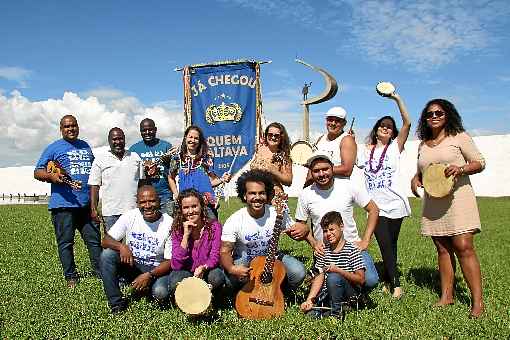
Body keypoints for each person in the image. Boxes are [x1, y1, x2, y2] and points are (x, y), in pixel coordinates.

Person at [411, 99, 485, 318]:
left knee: (463, 245)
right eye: (429, 114)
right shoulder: (423, 143)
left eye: (439, 113)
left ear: (448, 115)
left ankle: (478, 302)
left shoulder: (459, 137)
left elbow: (479, 162)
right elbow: (421, 170)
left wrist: (461, 168)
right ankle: (447, 296)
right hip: (434, 201)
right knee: (442, 248)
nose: (434, 116)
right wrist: (415, 179)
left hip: (459, 198)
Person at [293, 151, 380, 291]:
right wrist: (314, 244)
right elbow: (300, 225)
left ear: (332, 168)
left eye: (325, 169)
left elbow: (374, 209)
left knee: (370, 281)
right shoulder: (306, 194)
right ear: (311, 172)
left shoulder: (348, 186)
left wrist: (365, 240)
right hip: (325, 252)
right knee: (321, 285)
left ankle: (348, 285)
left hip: (353, 248)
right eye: (316, 171)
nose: (321, 174)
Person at [34, 115, 101, 288]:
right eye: (66, 126)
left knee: (94, 241)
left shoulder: (85, 146)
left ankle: (100, 272)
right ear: (61, 129)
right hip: (63, 205)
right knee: (66, 243)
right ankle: (71, 276)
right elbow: (37, 171)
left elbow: (93, 172)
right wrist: (51, 176)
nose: (70, 129)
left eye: (73, 125)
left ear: (78, 127)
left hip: (86, 205)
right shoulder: (53, 148)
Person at [358, 92, 411, 298]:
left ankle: (390, 280)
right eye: (382, 124)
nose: (386, 127)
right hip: (376, 206)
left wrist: (396, 98)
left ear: (392, 132)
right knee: (384, 243)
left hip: (395, 203)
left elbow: (407, 122)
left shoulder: (395, 148)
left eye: (389, 126)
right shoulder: (365, 150)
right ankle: (396, 284)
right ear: (377, 129)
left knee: (391, 244)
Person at [219, 169, 306, 295]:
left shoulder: (277, 213)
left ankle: (279, 292)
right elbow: (224, 251)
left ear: (267, 195)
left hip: (272, 257)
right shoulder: (235, 220)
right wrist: (232, 269)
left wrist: (309, 235)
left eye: (262, 193)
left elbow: (296, 231)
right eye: (252, 193)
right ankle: (242, 292)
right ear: (244, 195)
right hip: (246, 260)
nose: (257, 197)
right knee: (229, 280)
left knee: (298, 271)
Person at [99, 185, 173, 314]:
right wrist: (121, 246)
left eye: (152, 201)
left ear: (159, 201)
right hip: (133, 265)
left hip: (157, 270)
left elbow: (170, 261)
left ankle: (148, 287)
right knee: (107, 255)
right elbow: (105, 240)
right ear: (137, 203)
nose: (147, 206)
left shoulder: (169, 224)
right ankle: (116, 303)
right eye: (143, 202)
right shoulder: (130, 216)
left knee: (160, 293)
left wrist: (150, 275)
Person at [301, 211, 365, 318]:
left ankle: (336, 314)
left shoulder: (352, 250)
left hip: (349, 293)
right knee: (309, 315)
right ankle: (328, 307)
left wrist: (339, 271)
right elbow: (319, 277)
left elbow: (361, 279)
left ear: (341, 227)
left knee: (333, 277)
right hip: (329, 293)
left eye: (331, 229)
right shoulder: (324, 250)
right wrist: (309, 300)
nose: (328, 234)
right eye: (325, 231)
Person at [168, 189, 224, 298]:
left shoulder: (214, 227)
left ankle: (210, 298)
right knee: (175, 281)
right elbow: (176, 264)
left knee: (216, 277)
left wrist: (204, 267)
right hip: (186, 271)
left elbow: (215, 255)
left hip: (206, 270)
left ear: (201, 206)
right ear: (181, 210)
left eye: (194, 206)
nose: (190, 211)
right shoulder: (177, 230)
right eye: (186, 208)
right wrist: (185, 236)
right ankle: (192, 298)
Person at [167, 125, 230, 219]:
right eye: (190, 137)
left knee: (212, 230)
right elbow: (170, 177)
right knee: (187, 231)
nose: (193, 140)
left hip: (206, 203)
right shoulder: (177, 158)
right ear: (185, 138)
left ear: (200, 141)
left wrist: (222, 179)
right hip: (187, 203)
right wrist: (176, 194)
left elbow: (211, 182)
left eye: (196, 138)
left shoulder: (207, 158)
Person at [88, 127, 141, 231]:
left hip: (133, 211)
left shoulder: (135, 157)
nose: (118, 142)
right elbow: (95, 186)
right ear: (109, 141)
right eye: (114, 139)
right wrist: (93, 209)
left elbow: (143, 183)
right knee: (112, 245)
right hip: (110, 214)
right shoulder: (100, 159)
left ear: (125, 139)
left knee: (133, 245)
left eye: (120, 139)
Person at [129, 118, 174, 215]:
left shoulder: (166, 146)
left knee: (169, 226)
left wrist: (167, 163)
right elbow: (131, 175)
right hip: (144, 198)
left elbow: (174, 172)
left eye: (150, 129)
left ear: (155, 129)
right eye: (144, 130)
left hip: (164, 194)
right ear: (140, 131)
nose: (147, 132)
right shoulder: (134, 149)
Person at [250, 122, 293, 197]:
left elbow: (289, 181)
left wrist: (274, 171)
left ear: (281, 137)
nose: (273, 137)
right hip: (256, 193)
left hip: (273, 196)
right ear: (266, 135)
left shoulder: (284, 156)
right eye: (270, 134)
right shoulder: (258, 149)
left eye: (276, 135)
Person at [314, 106, 356, 178]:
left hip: (339, 186)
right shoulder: (321, 139)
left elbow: (347, 170)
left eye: (338, 121)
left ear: (344, 123)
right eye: (330, 119)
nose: (333, 123)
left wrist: (318, 170)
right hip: (320, 187)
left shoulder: (347, 140)